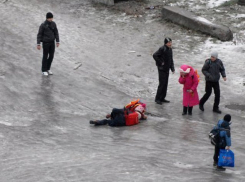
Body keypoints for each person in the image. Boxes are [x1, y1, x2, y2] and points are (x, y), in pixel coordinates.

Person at [153, 37, 175, 105]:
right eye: (169, 42)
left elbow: (171, 59)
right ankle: (157, 98)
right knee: (162, 84)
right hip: (162, 69)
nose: (170, 44)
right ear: (165, 43)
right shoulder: (162, 49)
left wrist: (172, 68)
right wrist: (160, 62)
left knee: (165, 84)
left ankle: (162, 97)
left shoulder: (170, 49)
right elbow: (155, 55)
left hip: (167, 68)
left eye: (170, 42)